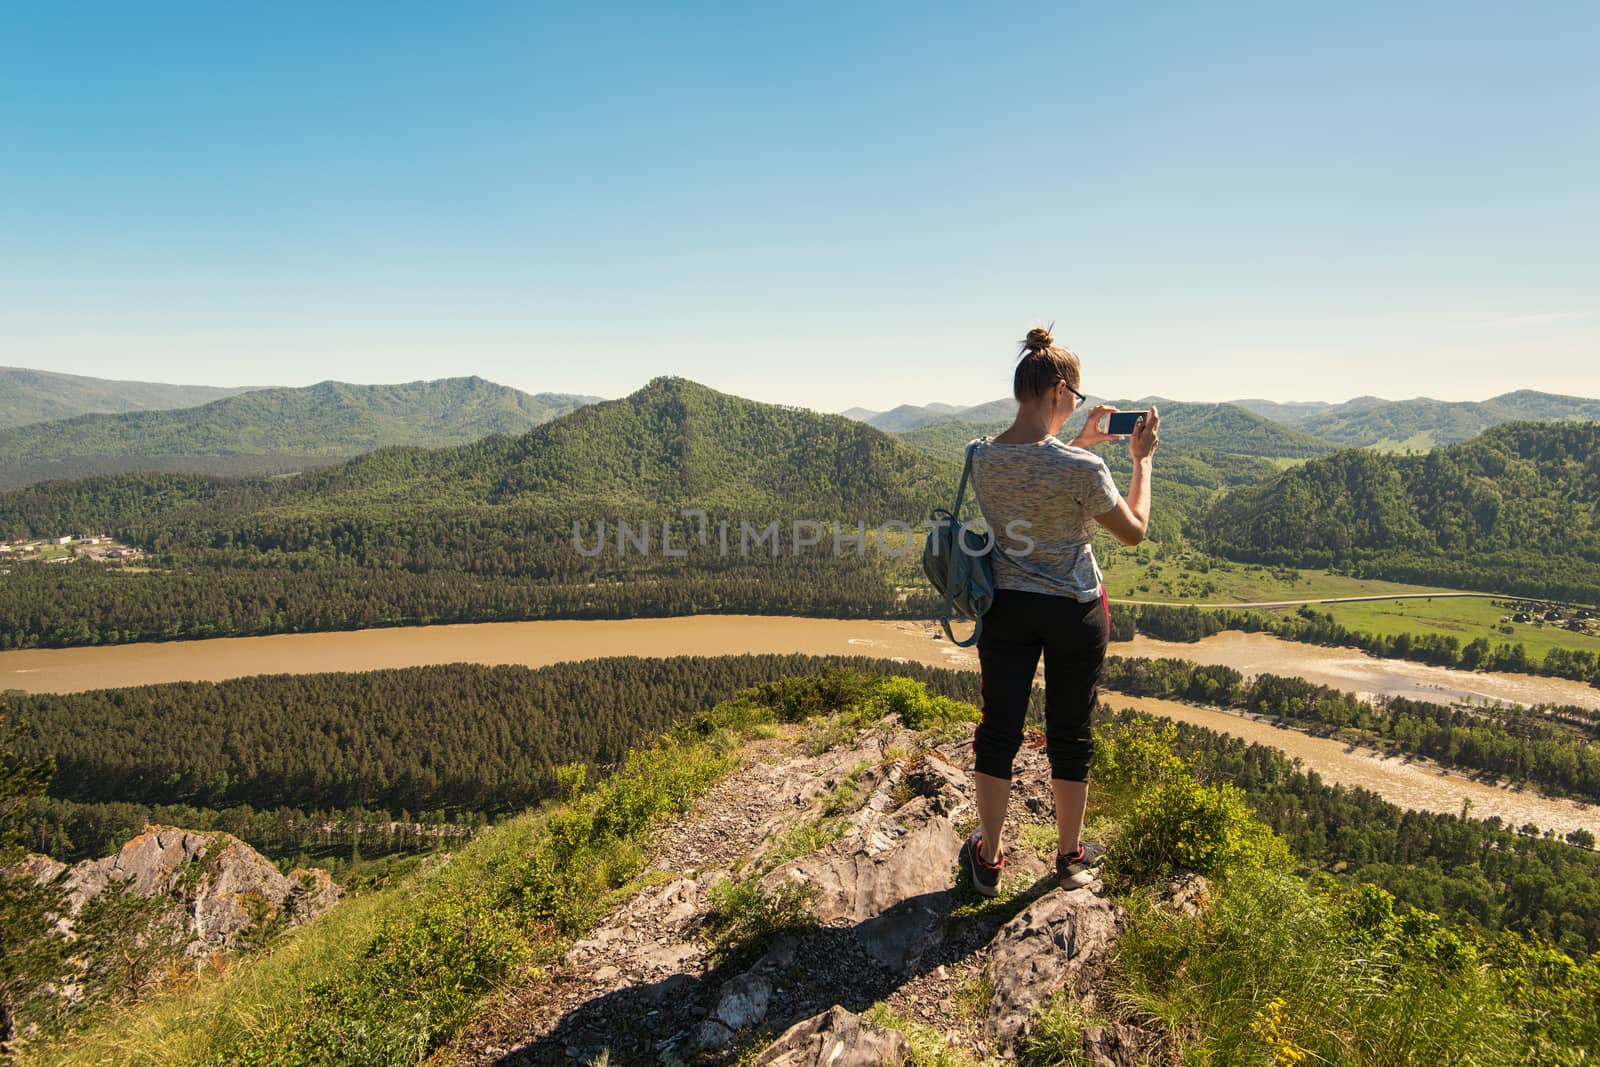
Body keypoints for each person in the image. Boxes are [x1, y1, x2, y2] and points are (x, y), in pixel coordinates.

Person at [958, 325, 1159, 895]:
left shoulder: (980, 457)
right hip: (1074, 610)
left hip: (1006, 607)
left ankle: (989, 859)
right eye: (1074, 396)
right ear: (1058, 392)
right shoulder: (1082, 469)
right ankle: (1069, 857)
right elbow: (1134, 532)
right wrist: (1140, 461)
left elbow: (1034, 469)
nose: (1078, 405)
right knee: (1069, 732)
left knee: (999, 729)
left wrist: (1084, 440)